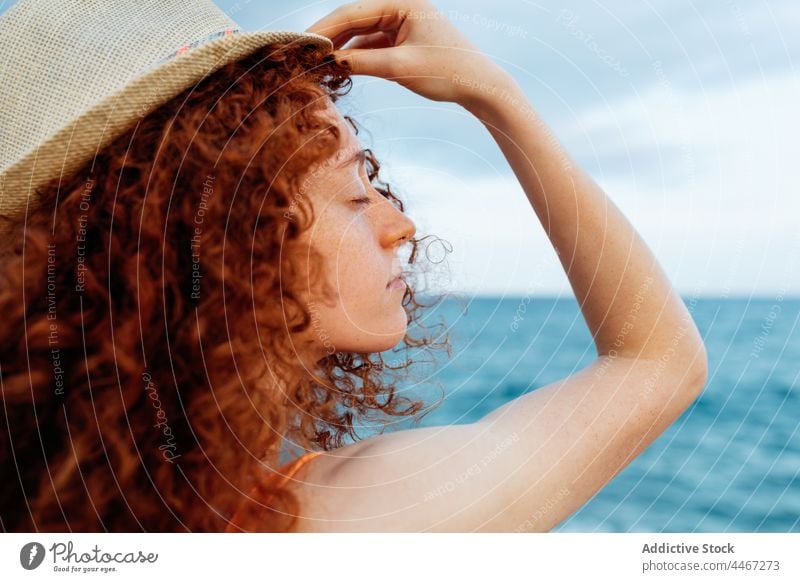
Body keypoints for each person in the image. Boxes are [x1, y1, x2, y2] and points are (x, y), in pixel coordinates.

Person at [0, 0, 707, 534]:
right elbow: (656, 363)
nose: (401, 225)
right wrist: (496, 96)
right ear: (229, 249)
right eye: (352, 193)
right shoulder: (335, 524)